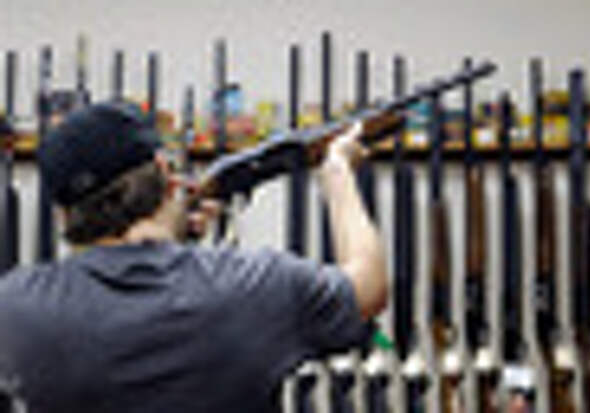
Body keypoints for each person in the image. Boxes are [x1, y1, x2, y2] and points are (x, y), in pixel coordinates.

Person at [0, 102, 388, 413]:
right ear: (166, 172)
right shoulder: (255, 285)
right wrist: (337, 175)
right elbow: (368, 287)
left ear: (63, 215)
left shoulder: (12, 305)